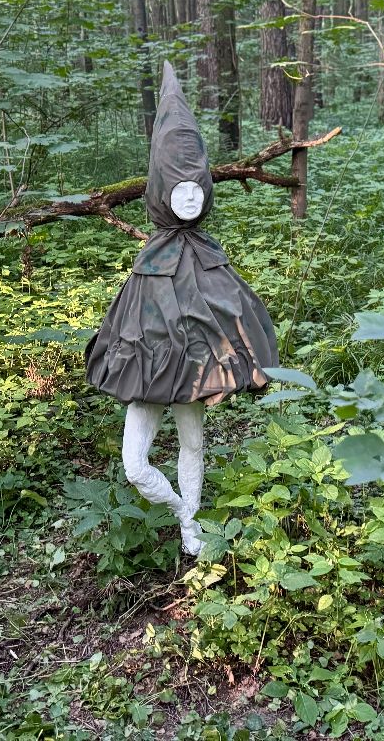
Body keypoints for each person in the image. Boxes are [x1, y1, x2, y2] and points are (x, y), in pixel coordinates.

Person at [86, 62, 278, 554]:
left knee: (193, 443)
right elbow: (130, 324)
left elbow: (238, 313)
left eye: (196, 187)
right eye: (178, 187)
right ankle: (179, 510)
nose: (188, 196)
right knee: (135, 465)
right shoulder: (149, 264)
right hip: (147, 373)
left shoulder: (209, 257)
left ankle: (191, 531)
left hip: (192, 372)